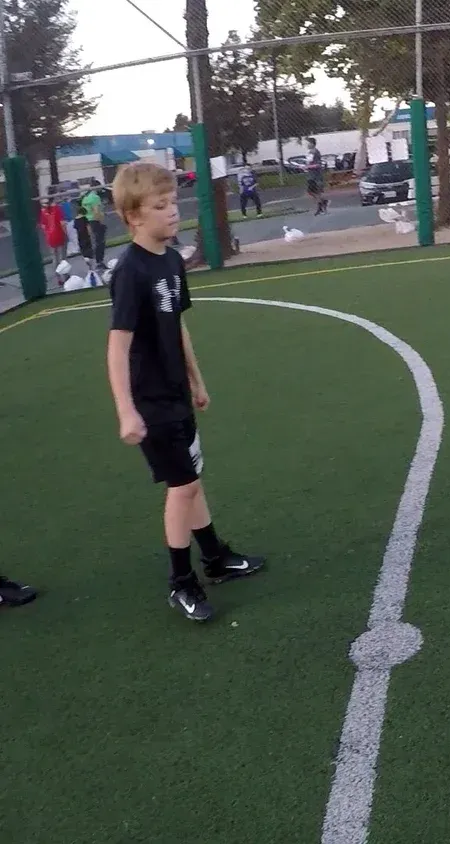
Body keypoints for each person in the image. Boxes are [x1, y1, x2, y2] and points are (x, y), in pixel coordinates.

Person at [104, 161, 266, 623]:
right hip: (150, 402)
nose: (173, 212)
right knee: (184, 486)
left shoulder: (172, 261)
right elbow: (117, 348)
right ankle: (181, 582)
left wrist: (196, 379)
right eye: (161, 206)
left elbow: (177, 326)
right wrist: (126, 411)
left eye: (173, 202)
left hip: (176, 393)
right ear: (134, 216)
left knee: (192, 478)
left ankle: (216, 557)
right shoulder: (130, 272)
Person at [81, 185, 107, 268]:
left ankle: (94, 261)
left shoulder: (85, 198)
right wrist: (101, 221)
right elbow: (96, 211)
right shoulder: (95, 197)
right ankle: (99, 262)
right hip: (95, 220)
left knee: (93, 241)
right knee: (100, 241)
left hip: (88, 220)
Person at [305, 138, 328, 215]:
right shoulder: (310, 152)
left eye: (308, 143)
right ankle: (323, 202)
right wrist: (306, 166)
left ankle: (320, 207)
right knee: (311, 191)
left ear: (312, 144)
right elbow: (309, 163)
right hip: (311, 175)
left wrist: (308, 167)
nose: (307, 145)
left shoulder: (315, 152)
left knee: (316, 192)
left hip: (316, 176)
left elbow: (318, 164)